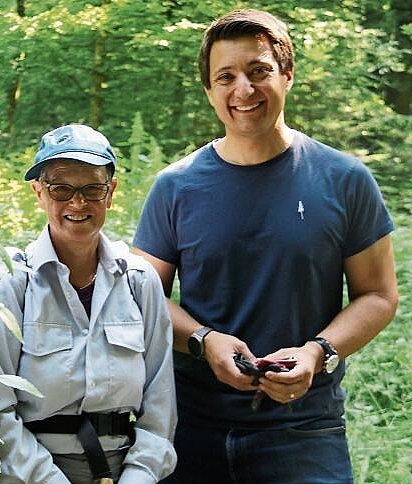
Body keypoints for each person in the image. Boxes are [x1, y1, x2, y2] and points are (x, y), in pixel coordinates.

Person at [132, 9, 398, 484]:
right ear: (210, 91)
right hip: (189, 427)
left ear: (287, 75)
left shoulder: (344, 179)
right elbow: (143, 295)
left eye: (259, 72)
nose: (244, 90)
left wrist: (318, 353)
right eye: (226, 77)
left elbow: (378, 295)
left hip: (305, 430)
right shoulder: (175, 186)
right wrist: (204, 340)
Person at [0, 124, 177, 484]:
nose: (78, 203)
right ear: (39, 193)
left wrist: (139, 476)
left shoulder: (139, 281)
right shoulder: (13, 282)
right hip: (33, 474)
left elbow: (161, 402)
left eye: (92, 189)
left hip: (125, 471)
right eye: (61, 189)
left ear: (111, 193)